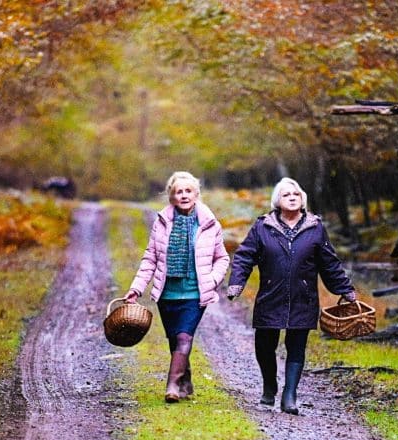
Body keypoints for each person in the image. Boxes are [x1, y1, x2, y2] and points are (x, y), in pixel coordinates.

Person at [226, 177, 356, 415]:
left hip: (303, 297)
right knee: (264, 345)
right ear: (278, 200)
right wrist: (236, 283)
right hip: (270, 295)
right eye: (287, 194)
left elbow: (330, 263)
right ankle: (269, 385)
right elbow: (245, 256)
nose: (292, 197)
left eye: (296, 194)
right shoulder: (263, 226)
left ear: (302, 198)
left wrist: (345, 290)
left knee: (297, 346)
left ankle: (290, 395)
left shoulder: (315, 227)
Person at [124, 171, 230, 403]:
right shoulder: (161, 223)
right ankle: (185, 380)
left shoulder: (209, 224)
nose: (183, 195)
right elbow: (150, 258)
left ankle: (172, 384)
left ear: (196, 194)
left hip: (194, 292)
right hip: (167, 293)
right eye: (178, 192)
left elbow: (222, 258)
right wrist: (137, 288)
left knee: (184, 337)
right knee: (175, 340)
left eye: (188, 191)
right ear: (171, 197)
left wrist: (212, 280)